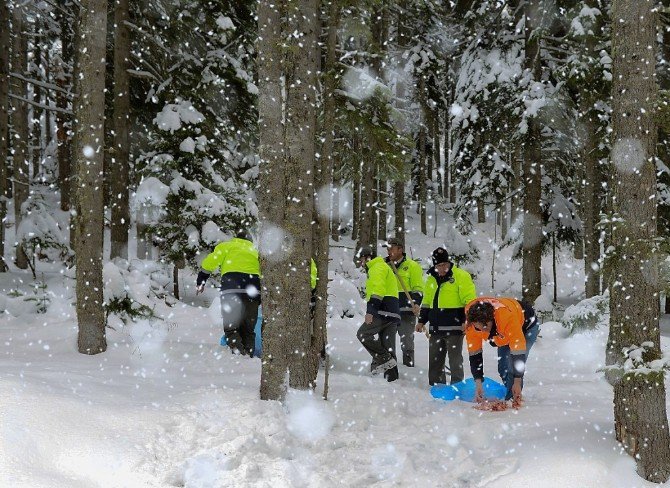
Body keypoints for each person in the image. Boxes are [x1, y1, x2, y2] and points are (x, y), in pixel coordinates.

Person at [416, 247, 476, 386]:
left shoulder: (461, 276)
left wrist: (466, 320)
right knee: (435, 360)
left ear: (449, 263)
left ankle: (457, 386)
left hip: (455, 326)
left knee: (455, 360)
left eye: (444, 265)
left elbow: (470, 302)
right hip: (436, 327)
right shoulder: (431, 279)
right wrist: (421, 321)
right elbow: (426, 302)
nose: (442, 268)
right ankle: (437, 386)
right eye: (438, 265)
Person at [196, 230, 261, 356]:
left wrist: (201, 281)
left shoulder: (227, 246)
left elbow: (208, 264)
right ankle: (248, 357)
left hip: (232, 291)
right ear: (250, 241)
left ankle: (238, 356)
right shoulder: (255, 252)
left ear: (237, 238)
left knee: (231, 328)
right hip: (253, 293)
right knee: (248, 330)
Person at [465, 297, 540, 405]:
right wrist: (478, 383)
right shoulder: (471, 324)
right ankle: (510, 393)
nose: (482, 331)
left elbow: (518, 352)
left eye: (485, 327)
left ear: (491, 319)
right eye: (478, 328)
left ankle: (513, 398)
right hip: (502, 333)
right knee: (503, 367)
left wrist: (517, 381)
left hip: (527, 326)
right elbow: (475, 354)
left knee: (511, 367)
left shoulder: (506, 319)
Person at [356, 245, 401, 382]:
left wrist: (371, 311)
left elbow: (378, 289)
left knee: (363, 334)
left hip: (383, 311)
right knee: (388, 346)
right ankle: (392, 379)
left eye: (362, 260)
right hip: (391, 312)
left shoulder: (377, 267)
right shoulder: (382, 267)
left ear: (367, 257)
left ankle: (385, 359)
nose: (362, 264)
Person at [384, 237, 423, 367]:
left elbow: (418, 288)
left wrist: (416, 303)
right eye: (388, 249)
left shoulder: (412, 266)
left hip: (406, 310)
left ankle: (409, 367)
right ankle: (389, 367)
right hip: (389, 311)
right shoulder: (384, 266)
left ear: (400, 249)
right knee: (387, 341)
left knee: (407, 341)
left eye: (392, 248)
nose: (389, 251)